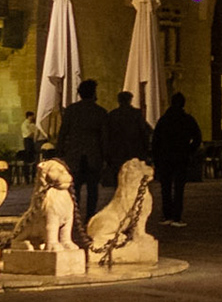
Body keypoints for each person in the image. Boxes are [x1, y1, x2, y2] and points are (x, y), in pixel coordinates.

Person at [55, 79, 110, 227]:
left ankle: (73, 216)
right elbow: (104, 138)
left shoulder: (71, 111)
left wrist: (60, 151)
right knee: (92, 190)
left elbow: (63, 133)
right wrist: (105, 157)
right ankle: (90, 217)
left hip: (74, 155)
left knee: (74, 190)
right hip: (93, 156)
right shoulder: (100, 112)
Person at [150, 91, 203, 226]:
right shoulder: (187, 119)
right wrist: (189, 150)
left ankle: (167, 215)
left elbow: (156, 140)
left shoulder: (164, 120)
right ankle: (177, 217)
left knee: (165, 187)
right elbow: (197, 137)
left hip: (165, 157)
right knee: (179, 188)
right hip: (181, 156)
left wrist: (156, 157)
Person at [107, 90, 152, 172]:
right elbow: (145, 130)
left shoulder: (113, 115)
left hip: (118, 151)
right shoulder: (136, 114)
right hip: (134, 150)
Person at [19, 110, 38, 183]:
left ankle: (33, 176)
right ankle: (27, 177)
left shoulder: (32, 124)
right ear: (29, 116)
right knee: (27, 159)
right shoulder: (25, 124)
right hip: (27, 141)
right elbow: (28, 134)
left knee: (34, 159)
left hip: (32, 141)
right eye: (32, 116)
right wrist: (34, 133)